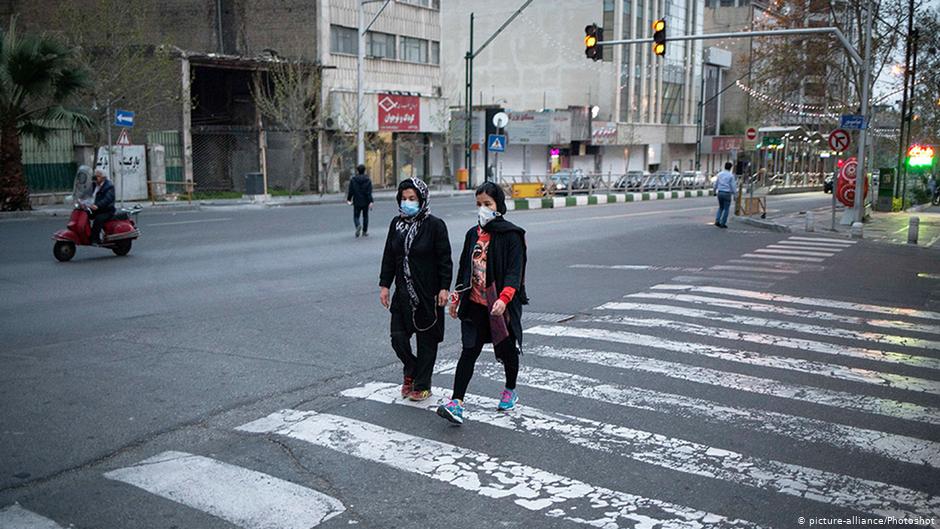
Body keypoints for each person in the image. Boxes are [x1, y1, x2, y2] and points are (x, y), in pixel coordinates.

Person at [437, 182, 528, 425]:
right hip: (475, 304)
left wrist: (504, 298)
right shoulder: (472, 235)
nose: (482, 209)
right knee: (469, 351)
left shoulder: (511, 235)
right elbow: (464, 269)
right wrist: (456, 298)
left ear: (498, 205)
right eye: (479, 204)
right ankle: (457, 402)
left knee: (507, 350)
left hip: (500, 305)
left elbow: (514, 271)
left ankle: (510, 389)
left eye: (487, 204)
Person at [379, 178, 452, 402]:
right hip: (402, 293)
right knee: (397, 338)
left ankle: (422, 384)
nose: (407, 202)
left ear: (422, 200)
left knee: (426, 340)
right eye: (403, 198)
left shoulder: (435, 225)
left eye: (412, 199)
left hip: (427, 292)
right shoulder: (396, 224)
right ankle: (411, 368)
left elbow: (445, 259)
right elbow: (389, 256)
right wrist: (384, 285)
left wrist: (443, 288)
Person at [347, 164, 374, 237]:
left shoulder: (353, 180)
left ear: (357, 171)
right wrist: (371, 201)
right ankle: (365, 231)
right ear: (364, 171)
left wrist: (349, 199)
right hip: (365, 201)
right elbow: (369, 192)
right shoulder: (368, 180)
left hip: (357, 201)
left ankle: (358, 225)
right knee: (365, 216)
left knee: (356, 216)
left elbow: (351, 191)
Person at [89, 169, 115, 244]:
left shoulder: (109, 186)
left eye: (98, 176)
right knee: (84, 214)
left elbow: (108, 199)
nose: (96, 178)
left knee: (98, 219)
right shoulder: (94, 185)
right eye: (95, 175)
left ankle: (95, 239)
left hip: (107, 210)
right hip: (94, 208)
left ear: (103, 177)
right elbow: (86, 193)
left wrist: (98, 205)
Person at [713, 161, 737, 229]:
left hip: (720, 192)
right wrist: (735, 195)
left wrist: (714, 191)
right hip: (727, 193)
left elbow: (716, 184)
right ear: (731, 168)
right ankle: (723, 223)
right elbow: (733, 186)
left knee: (720, 207)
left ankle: (717, 220)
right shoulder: (731, 176)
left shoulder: (720, 174)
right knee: (726, 209)